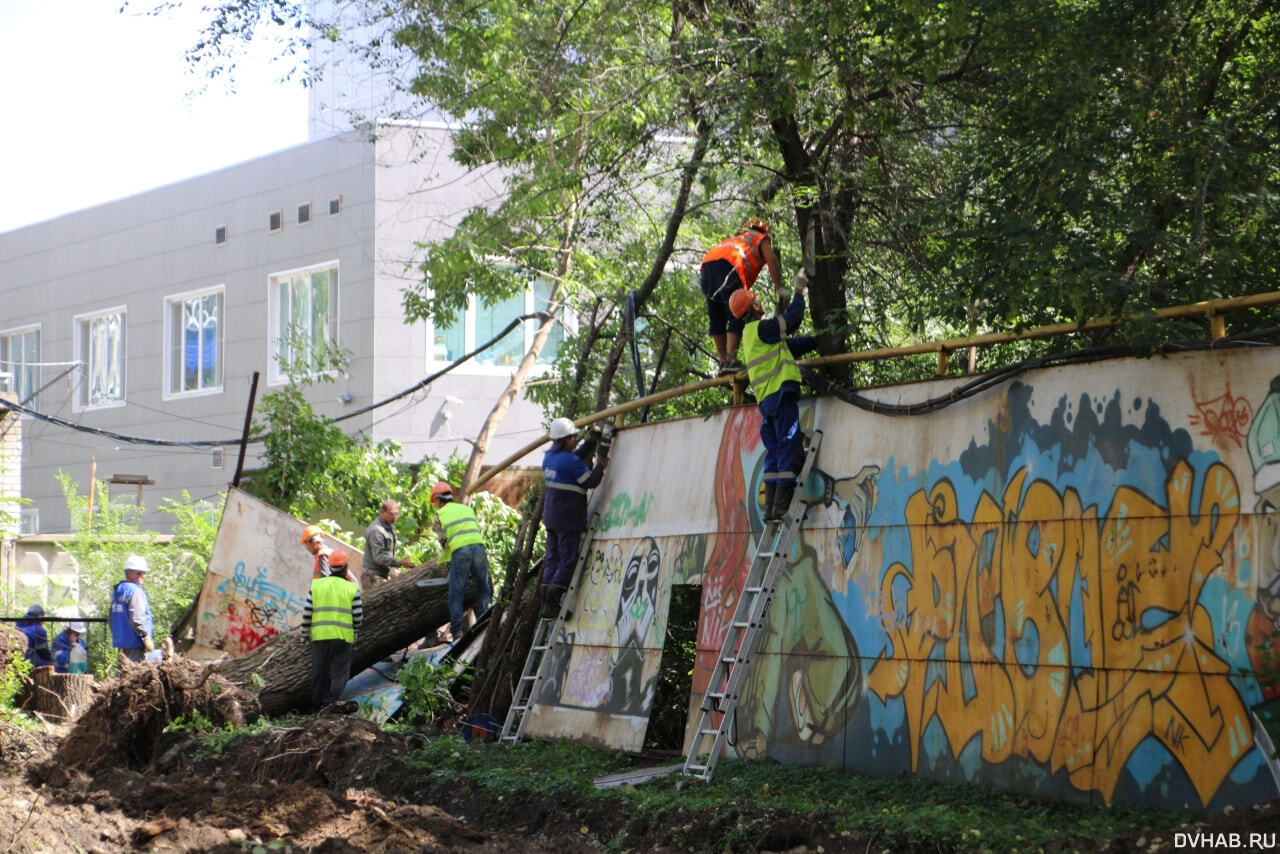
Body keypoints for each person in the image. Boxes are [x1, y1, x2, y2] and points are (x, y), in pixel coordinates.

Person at [729, 268, 818, 523]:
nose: (760, 302)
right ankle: (780, 507)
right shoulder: (762, 328)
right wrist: (799, 290)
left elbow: (788, 346)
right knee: (790, 447)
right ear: (753, 307)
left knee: (775, 453)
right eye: (756, 300)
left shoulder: (752, 336)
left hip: (768, 403)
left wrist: (816, 341)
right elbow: (792, 319)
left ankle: (770, 509)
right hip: (781, 396)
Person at [540, 416, 611, 618]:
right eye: (574, 437)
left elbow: (572, 461)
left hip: (552, 518)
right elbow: (591, 481)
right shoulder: (568, 461)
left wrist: (589, 441)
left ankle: (546, 604)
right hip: (568, 518)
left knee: (553, 558)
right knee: (568, 559)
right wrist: (601, 462)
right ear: (568, 440)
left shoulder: (550, 458)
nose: (575, 440)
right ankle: (554, 603)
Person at [700, 218, 783, 374]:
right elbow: (771, 259)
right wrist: (779, 288)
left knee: (716, 316)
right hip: (728, 267)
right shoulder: (760, 238)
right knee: (738, 312)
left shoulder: (737, 240)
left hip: (706, 267)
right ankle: (732, 361)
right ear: (763, 231)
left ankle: (723, 362)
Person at [301, 543, 364, 712]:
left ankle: (317, 705)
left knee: (319, 672)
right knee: (339, 673)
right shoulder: (352, 588)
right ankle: (332, 703)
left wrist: (304, 634)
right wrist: (355, 631)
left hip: (320, 636)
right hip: (344, 637)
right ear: (346, 568)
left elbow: (307, 613)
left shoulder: (317, 586)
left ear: (329, 567)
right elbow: (358, 615)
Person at [430, 482, 492, 641]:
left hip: (461, 552)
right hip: (479, 549)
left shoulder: (440, 515)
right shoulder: (466, 509)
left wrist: (449, 563)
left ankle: (456, 632)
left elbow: (444, 542)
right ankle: (484, 624)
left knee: (456, 593)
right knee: (483, 589)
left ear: (438, 500)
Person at [110, 555, 156, 663]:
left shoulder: (119, 591)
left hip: (122, 643)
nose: (143, 576)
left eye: (144, 573)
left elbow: (111, 619)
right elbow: (137, 619)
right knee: (134, 676)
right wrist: (145, 637)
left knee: (123, 675)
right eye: (140, 573)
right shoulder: (135, 592)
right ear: (129, 573)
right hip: (135, 643)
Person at [362, 498, 414, 586]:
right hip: (372, 577)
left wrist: (393, 571)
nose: (395, 517)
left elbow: (388, 554)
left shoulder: (390, 526)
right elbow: (379, 557)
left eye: (397, 514)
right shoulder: (376, 530)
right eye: (391, 514)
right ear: (382, 513)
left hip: (383, 574)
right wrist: (399, 562)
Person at [16, 604, 53, 668]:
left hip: (17, 660)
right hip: (29, 662)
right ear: (40, 617)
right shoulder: (38, 629)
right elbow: (44, 654)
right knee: (55, 666)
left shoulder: (17, 625)